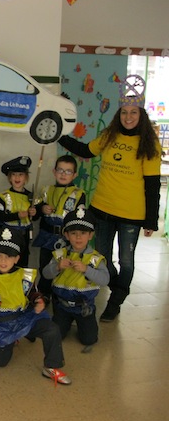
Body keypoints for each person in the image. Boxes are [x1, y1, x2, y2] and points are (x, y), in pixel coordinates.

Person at [58, 75, 162, 322]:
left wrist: (151, 220)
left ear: (141, 115)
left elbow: (153, 185)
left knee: (126, 261)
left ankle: (116, 301)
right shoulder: (109, 135)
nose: (128, 117)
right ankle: (117, 287)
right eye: (124, 112)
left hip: (131, 214)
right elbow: (85, 150)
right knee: (102, 256)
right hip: (102, 208)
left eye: (133, 112)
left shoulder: (149, 144)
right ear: (119, 114)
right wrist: (58, 134)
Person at [0, 227, 71, 385]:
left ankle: (52, 366)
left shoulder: (24, 275)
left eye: (9, 257)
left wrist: (39, 301)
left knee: (52, 329)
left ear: (17, 258)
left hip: (25, 318)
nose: (3, 261)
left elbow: (33, 293)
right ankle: (12, 340)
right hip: (1, 325)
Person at [42, 207, 109, 350]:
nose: (78, 237)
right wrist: (57, 267)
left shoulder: (95, 258)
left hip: (84, 306)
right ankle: (65, 322)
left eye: (83, 233)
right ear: (66, 235)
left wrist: (87, 270)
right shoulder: (59, 254)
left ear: (90, 235)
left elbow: (105, 280)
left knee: (89, 339)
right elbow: (45, 274)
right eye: (73, 233)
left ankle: (84, 324)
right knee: (55, 335)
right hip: (61, 306)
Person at [32, 155, 86, 299]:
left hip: (66, 239)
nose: (63, 174)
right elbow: (35, 214)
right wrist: (42, 209)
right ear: (54, 172)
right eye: (60, 170)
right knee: (45, 266)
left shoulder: (78, 194)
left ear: (74, 175)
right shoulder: (46, 190)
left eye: (68, 171)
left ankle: (60, 296)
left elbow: (79, 219)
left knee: (63, 267)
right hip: (47, 236)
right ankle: (43, 295)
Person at [0, 156, 36, 267]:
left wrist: (34, 213)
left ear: (26, 177)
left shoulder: (31, 197)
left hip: (24, 237)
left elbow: (36, 217)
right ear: (9, 177)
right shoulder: (2, 196)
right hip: (7, 237)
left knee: (22, 264)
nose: (17, 178)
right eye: (14, 174)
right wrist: (17, 215)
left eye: (21, 174)